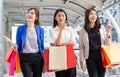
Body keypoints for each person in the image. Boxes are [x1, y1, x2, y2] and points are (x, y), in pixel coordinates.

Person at [3, 8, 44, 77]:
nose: (29, 14)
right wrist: (9, 41)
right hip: (25, 58)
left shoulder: (40, 30)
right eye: (28, 13)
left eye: (32, 13)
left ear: (36, 17)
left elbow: (41, 46)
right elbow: (18, 45)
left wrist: (44, 63)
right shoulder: (20, 29)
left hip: (37, 57)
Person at [79, 8, 112, 77]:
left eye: (95, 14)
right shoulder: (83, 30)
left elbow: (107, 43)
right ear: (87, 16)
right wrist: (82, 61)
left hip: (101, 56)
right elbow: (81, 47)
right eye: (91, 14)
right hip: (90, 57)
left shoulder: (101, 27)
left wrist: (108, 32)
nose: (93, 16)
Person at [50, 8, 76, 77]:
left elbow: (73, 43)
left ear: (65, 18)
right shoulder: (52, 30)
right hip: (58, 56)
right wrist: (61, 29)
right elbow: (58, 43)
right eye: (59, 16)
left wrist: (61, 43)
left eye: (63, 15)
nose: (61, 17)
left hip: (70, 55)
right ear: (55, 18)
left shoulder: (70, 29)